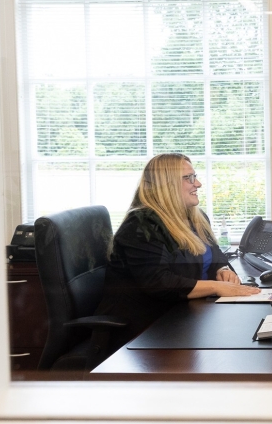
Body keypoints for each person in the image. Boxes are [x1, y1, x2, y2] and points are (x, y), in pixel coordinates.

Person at [94, 153, 260, 358]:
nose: (197, 183)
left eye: (195, 176)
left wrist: (222, 269)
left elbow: (215, 254)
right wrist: (217, 286)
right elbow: (159, 282)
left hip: (182, 318)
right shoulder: (142, 226)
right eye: (188, 178)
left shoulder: (195, 218)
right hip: (145, 333)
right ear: (167, 185)